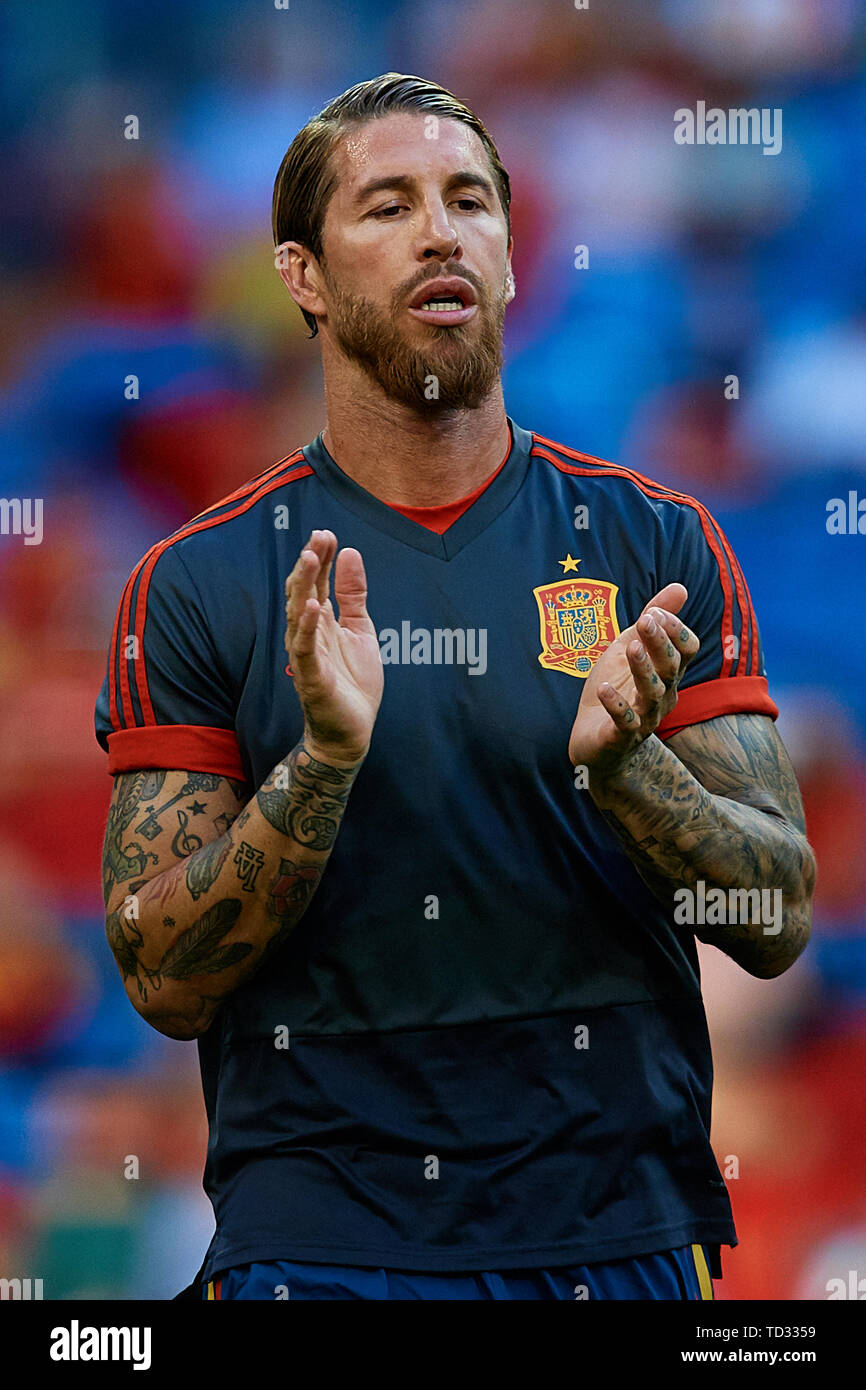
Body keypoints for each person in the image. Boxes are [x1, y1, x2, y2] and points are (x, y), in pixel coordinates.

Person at [95, 73, 815, 1301]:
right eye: (387, 205)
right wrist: (318, 767)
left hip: (615, 1230)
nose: (441, 230)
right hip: (320, 1242)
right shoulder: (198, 580)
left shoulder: (654, 545)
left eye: (468, 200)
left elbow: (772, 922)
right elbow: (163, 980)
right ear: (302, 276)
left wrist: (625, 768)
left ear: (510, 259)